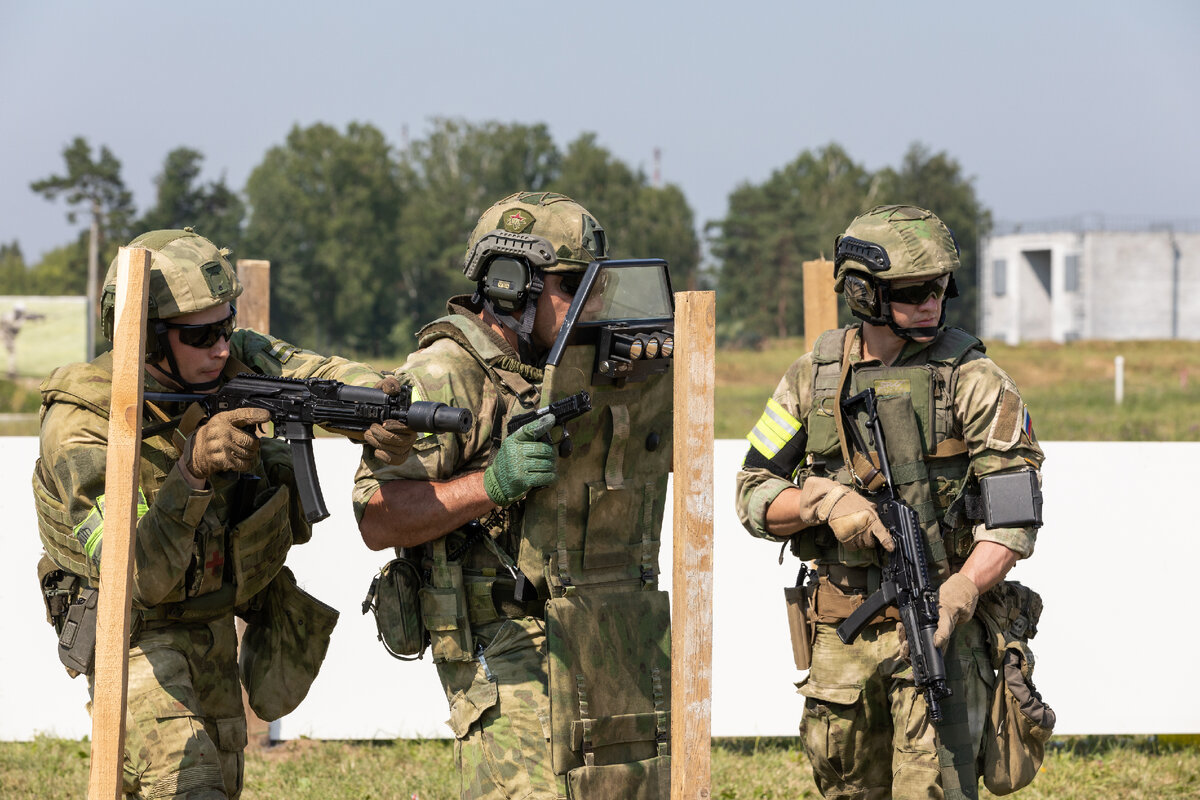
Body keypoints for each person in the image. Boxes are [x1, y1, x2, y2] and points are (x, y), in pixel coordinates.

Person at [33, 228, 413, 799]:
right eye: (201, 334)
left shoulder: (232, 359)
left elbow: (312, 373)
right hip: (135, 638)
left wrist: (381, 402)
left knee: (222, 786)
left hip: (212, 622)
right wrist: (192, 471)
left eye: (227, 325)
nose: (220, 346)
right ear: (148, 338)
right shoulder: (83, 426)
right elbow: (134, 579)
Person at [356, 192, 675, 799]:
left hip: (593, 626)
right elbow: (376, 516)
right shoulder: (446, 370)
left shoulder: (575, 367)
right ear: (510, 284)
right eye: (572, 285)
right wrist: (491, 484)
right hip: (499, 643)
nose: (594, 303)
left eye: (596, 285)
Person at [735, 205, 1045, 800]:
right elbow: (752, 491)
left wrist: (963, 590)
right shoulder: (812, 378)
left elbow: (1013, 514)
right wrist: (820, 502)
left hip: (940, 631)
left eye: (940, 287)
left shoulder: (974, 380)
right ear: (864, 292)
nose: (932, 301)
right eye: (913, 290)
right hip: (843, 648)